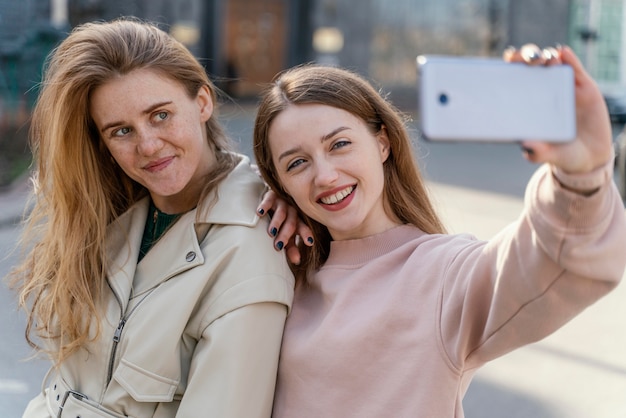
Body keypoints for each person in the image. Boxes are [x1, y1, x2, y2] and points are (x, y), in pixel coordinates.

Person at [253, 44, 626, 417]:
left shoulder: (442, 274)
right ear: (280, 183)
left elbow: (559, 262)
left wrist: (581, 174)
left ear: (382, 143)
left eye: (340, 144)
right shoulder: (278, 265)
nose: (325, 175)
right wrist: (251, 197)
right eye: (298, 163)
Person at [6, 18, 302, 418]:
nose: (147, 145)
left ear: (201, 103)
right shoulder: (113, 217)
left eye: (161, 115)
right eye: (121, 131)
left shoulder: (250, 248)